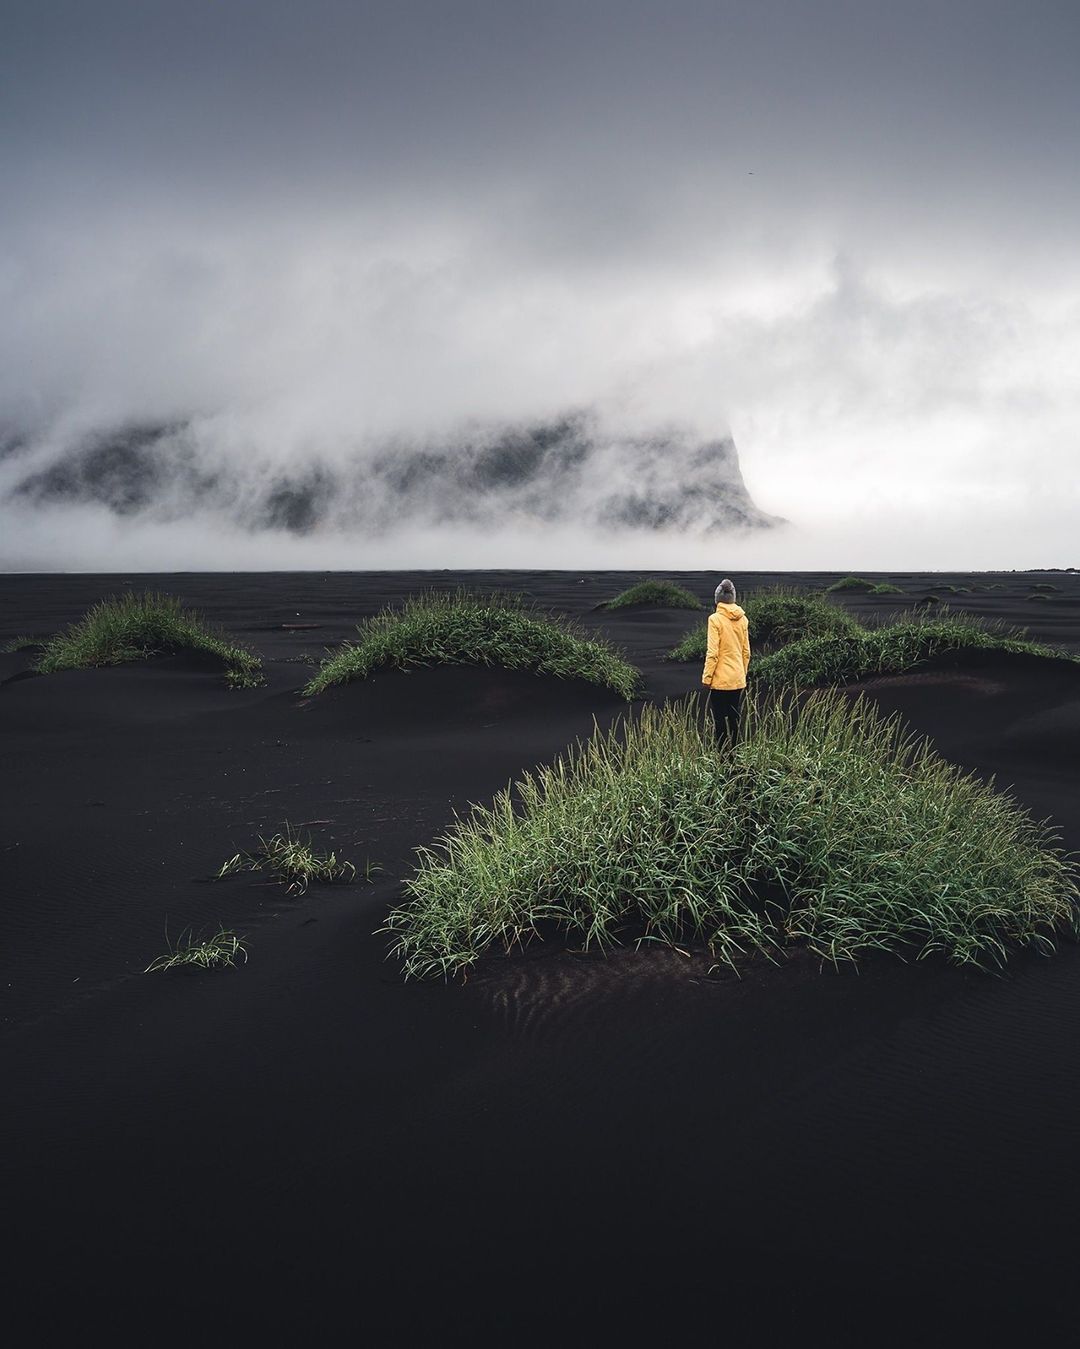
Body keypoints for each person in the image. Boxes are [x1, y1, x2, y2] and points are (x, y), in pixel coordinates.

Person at [701, 578, 750, 745]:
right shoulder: (743, 619)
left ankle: (723, 758)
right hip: (737, 678)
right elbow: (746, 653)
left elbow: (713, 653)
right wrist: (741, 674)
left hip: (720, 680)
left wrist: (707, 678)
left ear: (717, 600)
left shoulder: (715, 619)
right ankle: (736, 754)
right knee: (735, 718)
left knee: (720, 721)